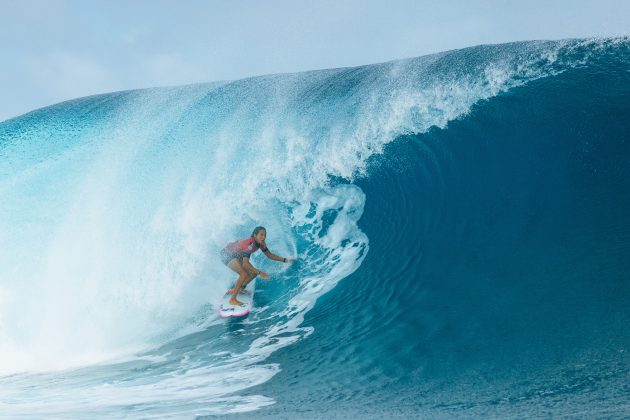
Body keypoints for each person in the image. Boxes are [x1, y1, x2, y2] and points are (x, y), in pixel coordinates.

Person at [220, 226, 294, 306]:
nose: (263, 237)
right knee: (243, 274)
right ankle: (232, 300)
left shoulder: (261, 244)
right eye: (261, 235)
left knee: (253, 273)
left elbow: (270, 255)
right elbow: (245, 263)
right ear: (255, 235)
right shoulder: (250, 244)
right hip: (227, 254)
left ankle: (240, 288)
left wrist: (286, 260)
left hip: (237, 255)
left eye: (265, 235)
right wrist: (260, 273)